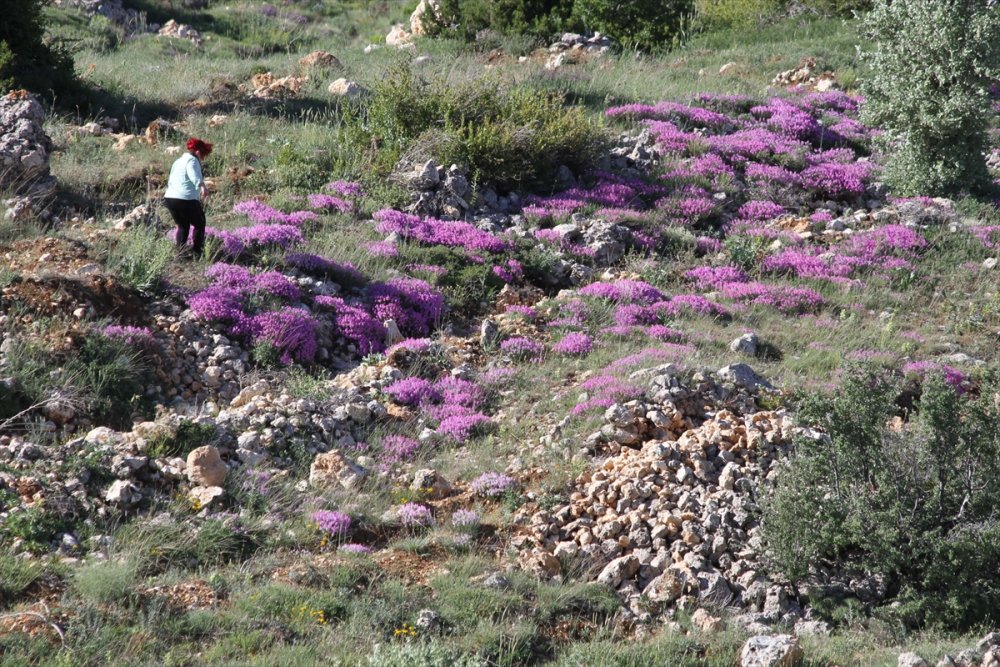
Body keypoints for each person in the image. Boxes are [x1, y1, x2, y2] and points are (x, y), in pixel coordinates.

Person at [164, 137, 212, 259]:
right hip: (185, 199)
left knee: (183, 225)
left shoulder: (178, 161)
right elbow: (193, 174)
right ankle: (197, 253)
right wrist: (202, 186)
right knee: (200, 223)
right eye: (203, 154)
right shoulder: (192, 160)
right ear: (197, 152)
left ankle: (179, 255)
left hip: (170, 198)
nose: (203, 157)